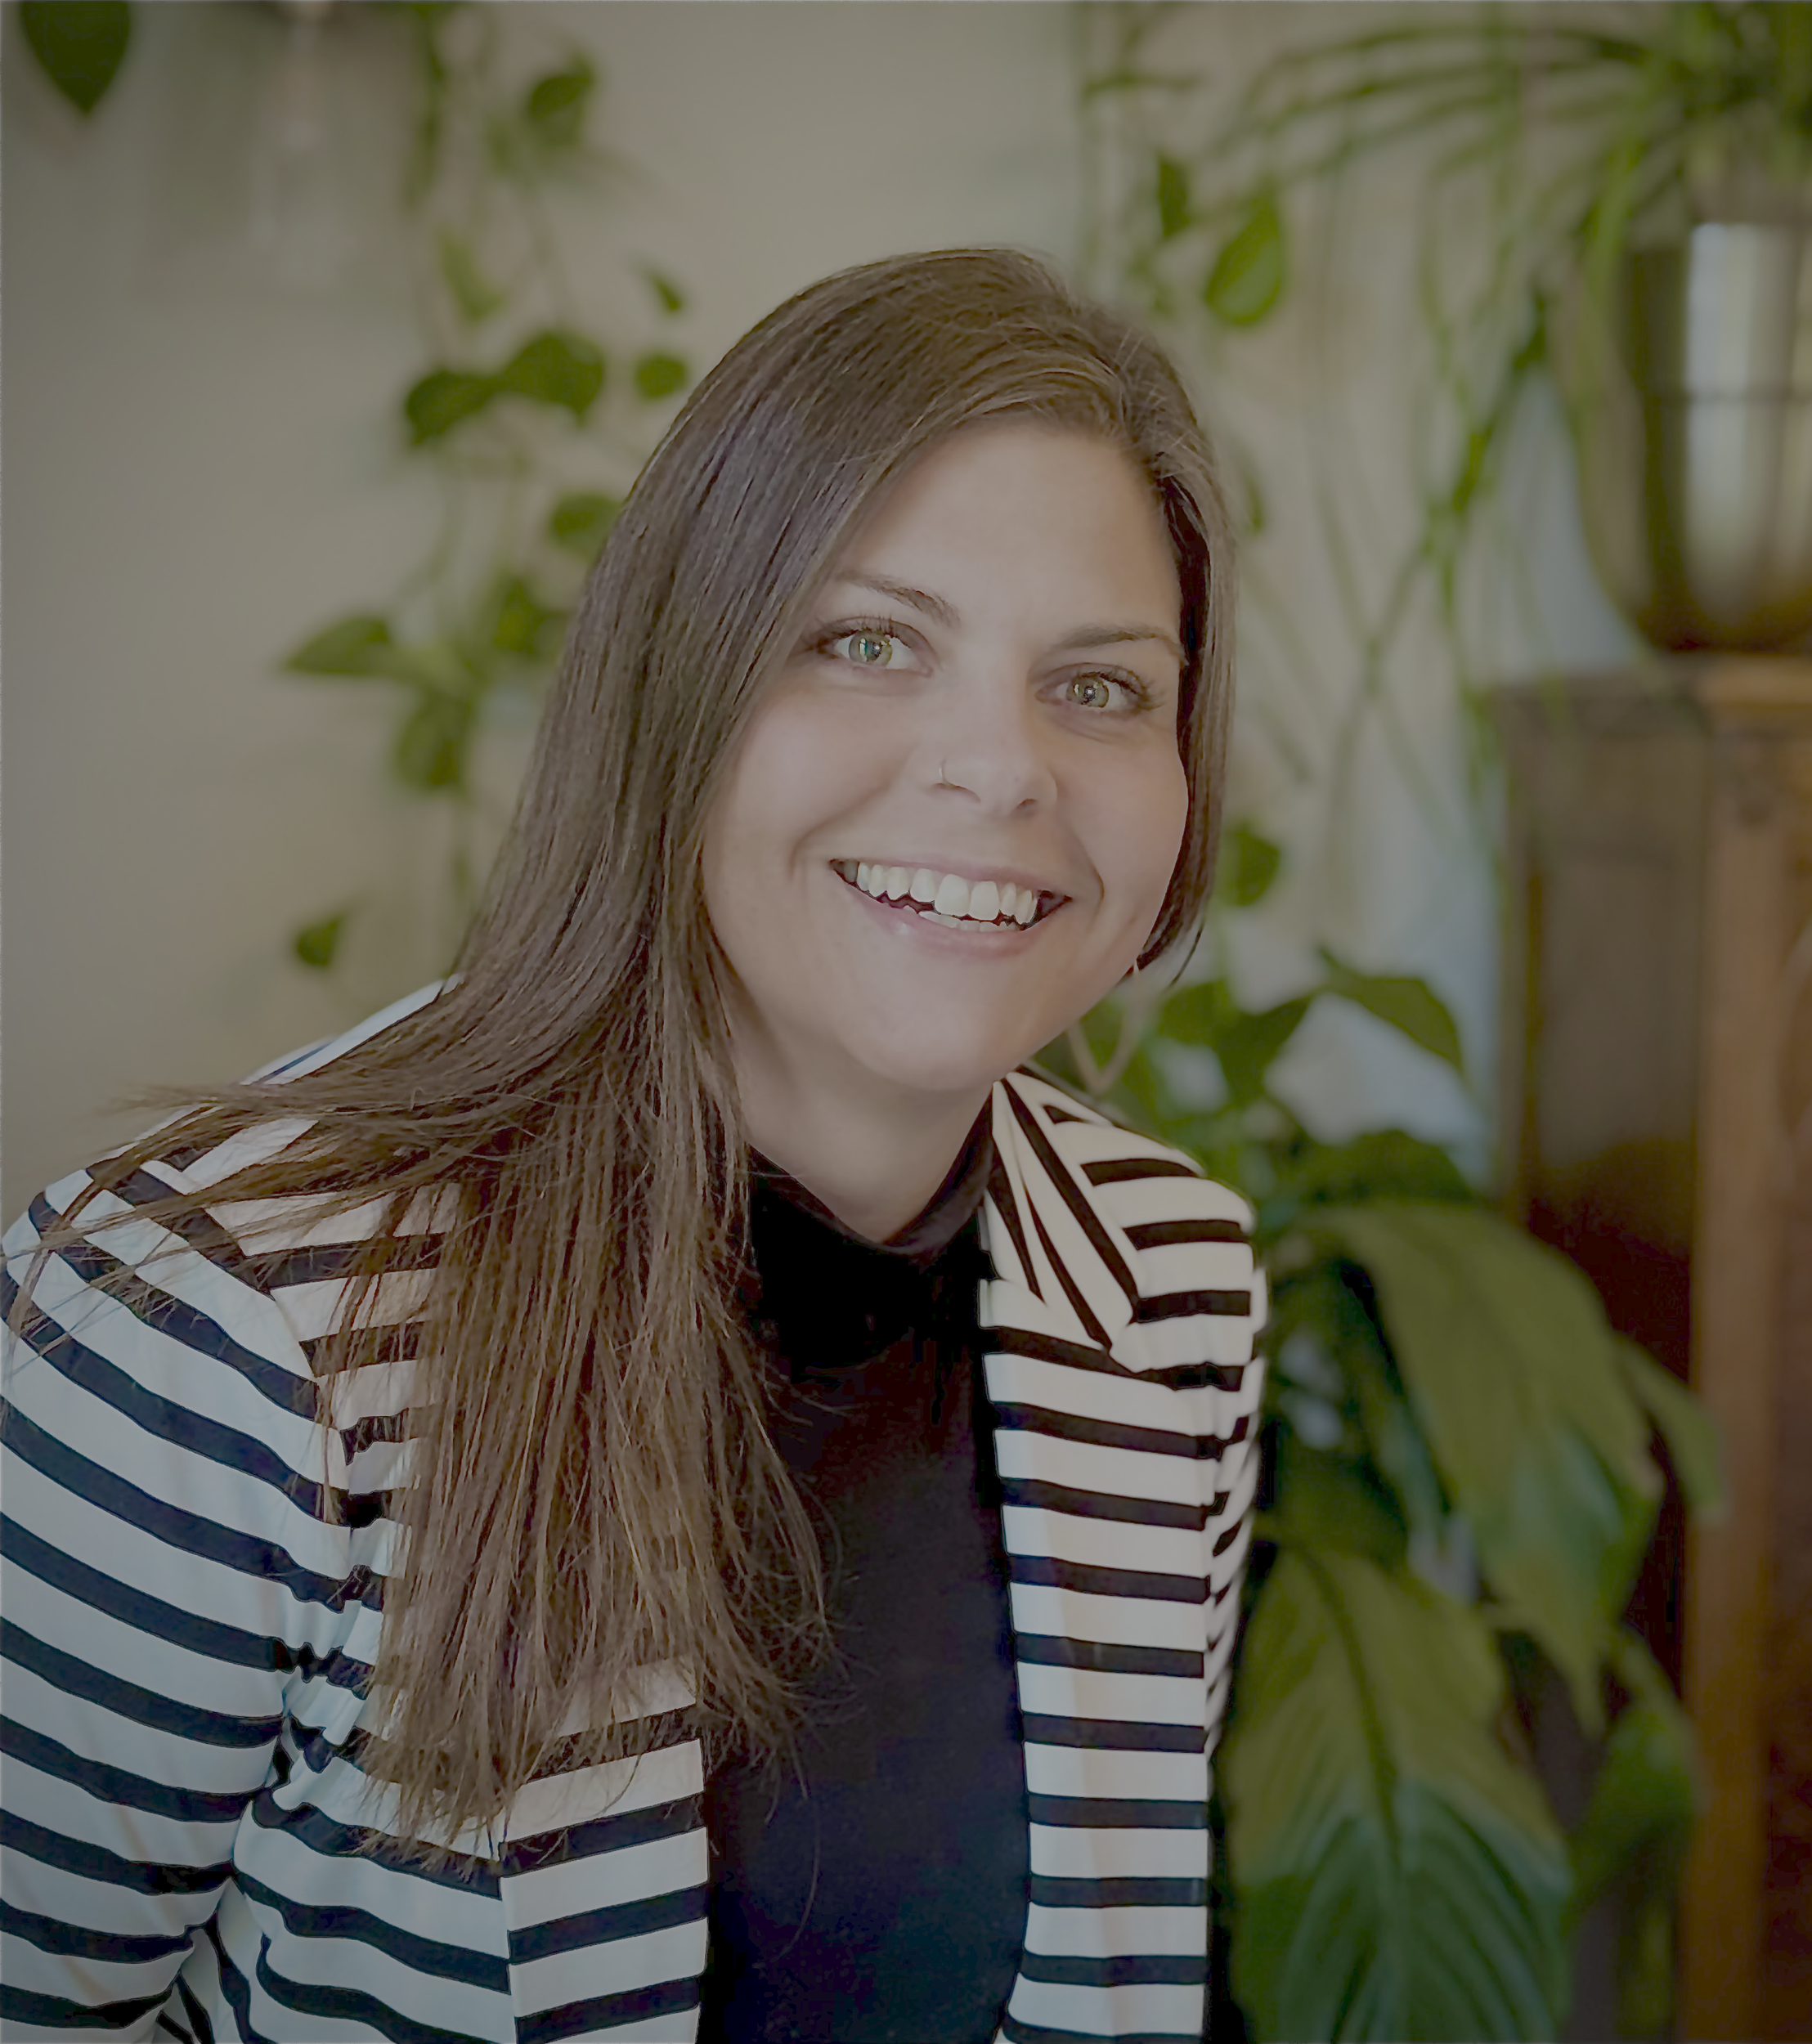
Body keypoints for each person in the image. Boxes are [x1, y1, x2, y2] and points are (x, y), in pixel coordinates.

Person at [1, 248, 1267, 2044]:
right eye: (866, 640)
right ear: (678, 689)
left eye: (1101, 684)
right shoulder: (219, 1318)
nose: (999, 769)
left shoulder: (1173, 1288)